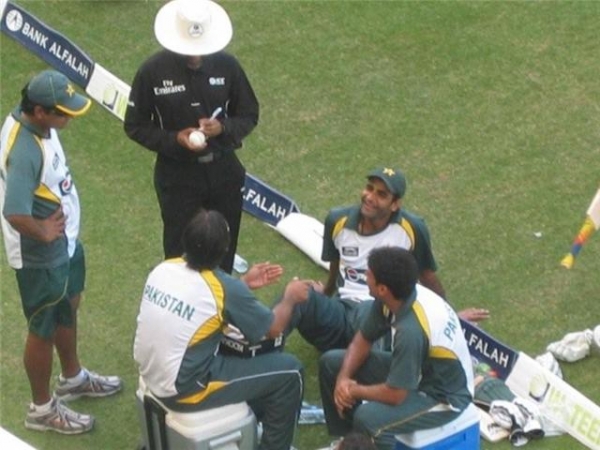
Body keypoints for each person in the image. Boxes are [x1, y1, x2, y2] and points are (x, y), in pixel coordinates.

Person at [0, 70, 122, 434]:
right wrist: (43, 231)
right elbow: (15, 211)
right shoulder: (24, 151)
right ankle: (41, 410)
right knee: (43, 325)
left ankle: (72, 378)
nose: (68, 118)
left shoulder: (40, 127)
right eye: (62, 113)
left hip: (63, 244)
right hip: (41, 255)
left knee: (69, 304)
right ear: (39, 111)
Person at [133, 209, 308, 450]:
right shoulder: (223, 289)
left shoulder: (163, 269)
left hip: (152, 375)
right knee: (290, 373)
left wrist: (243, 283)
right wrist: (290, 297)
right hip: (186, 390)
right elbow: (273, 330)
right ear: (224, 250)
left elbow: (202, 303)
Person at [286, 166, 489, 352]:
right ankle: (262, 346)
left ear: (395, 204)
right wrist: (325, 293)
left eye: (381, 194)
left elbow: (427, 276)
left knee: (372, 315)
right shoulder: (337, 220)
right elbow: (336, 266)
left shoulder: (413, 229)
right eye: (369, 188)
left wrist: (449, 317)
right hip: (343, 311)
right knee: (295, 294)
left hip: (380, 317)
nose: (370, 197)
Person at [124, 0, 259, 273]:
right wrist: (176, 139)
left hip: (224, 172)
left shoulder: (228, 66)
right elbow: (135, 125)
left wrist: (223, 129)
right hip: (177, 177)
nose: (195, 56)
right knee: (178, 253)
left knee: (224, 251)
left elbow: (248, 114)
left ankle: (221, 309)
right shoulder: (152, 72)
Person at [318, 247, 475, 450]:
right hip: (419, 372)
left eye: (369, 274)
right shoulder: (395, 297)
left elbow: (396, 394)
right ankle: (347, 442)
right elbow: (363, 339)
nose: (365, 276)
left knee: (368, 418)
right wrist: (343, 379)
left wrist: (353, 390)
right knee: (332, 363)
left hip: (442, 395)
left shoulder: (411, 330)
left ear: (382, 288)